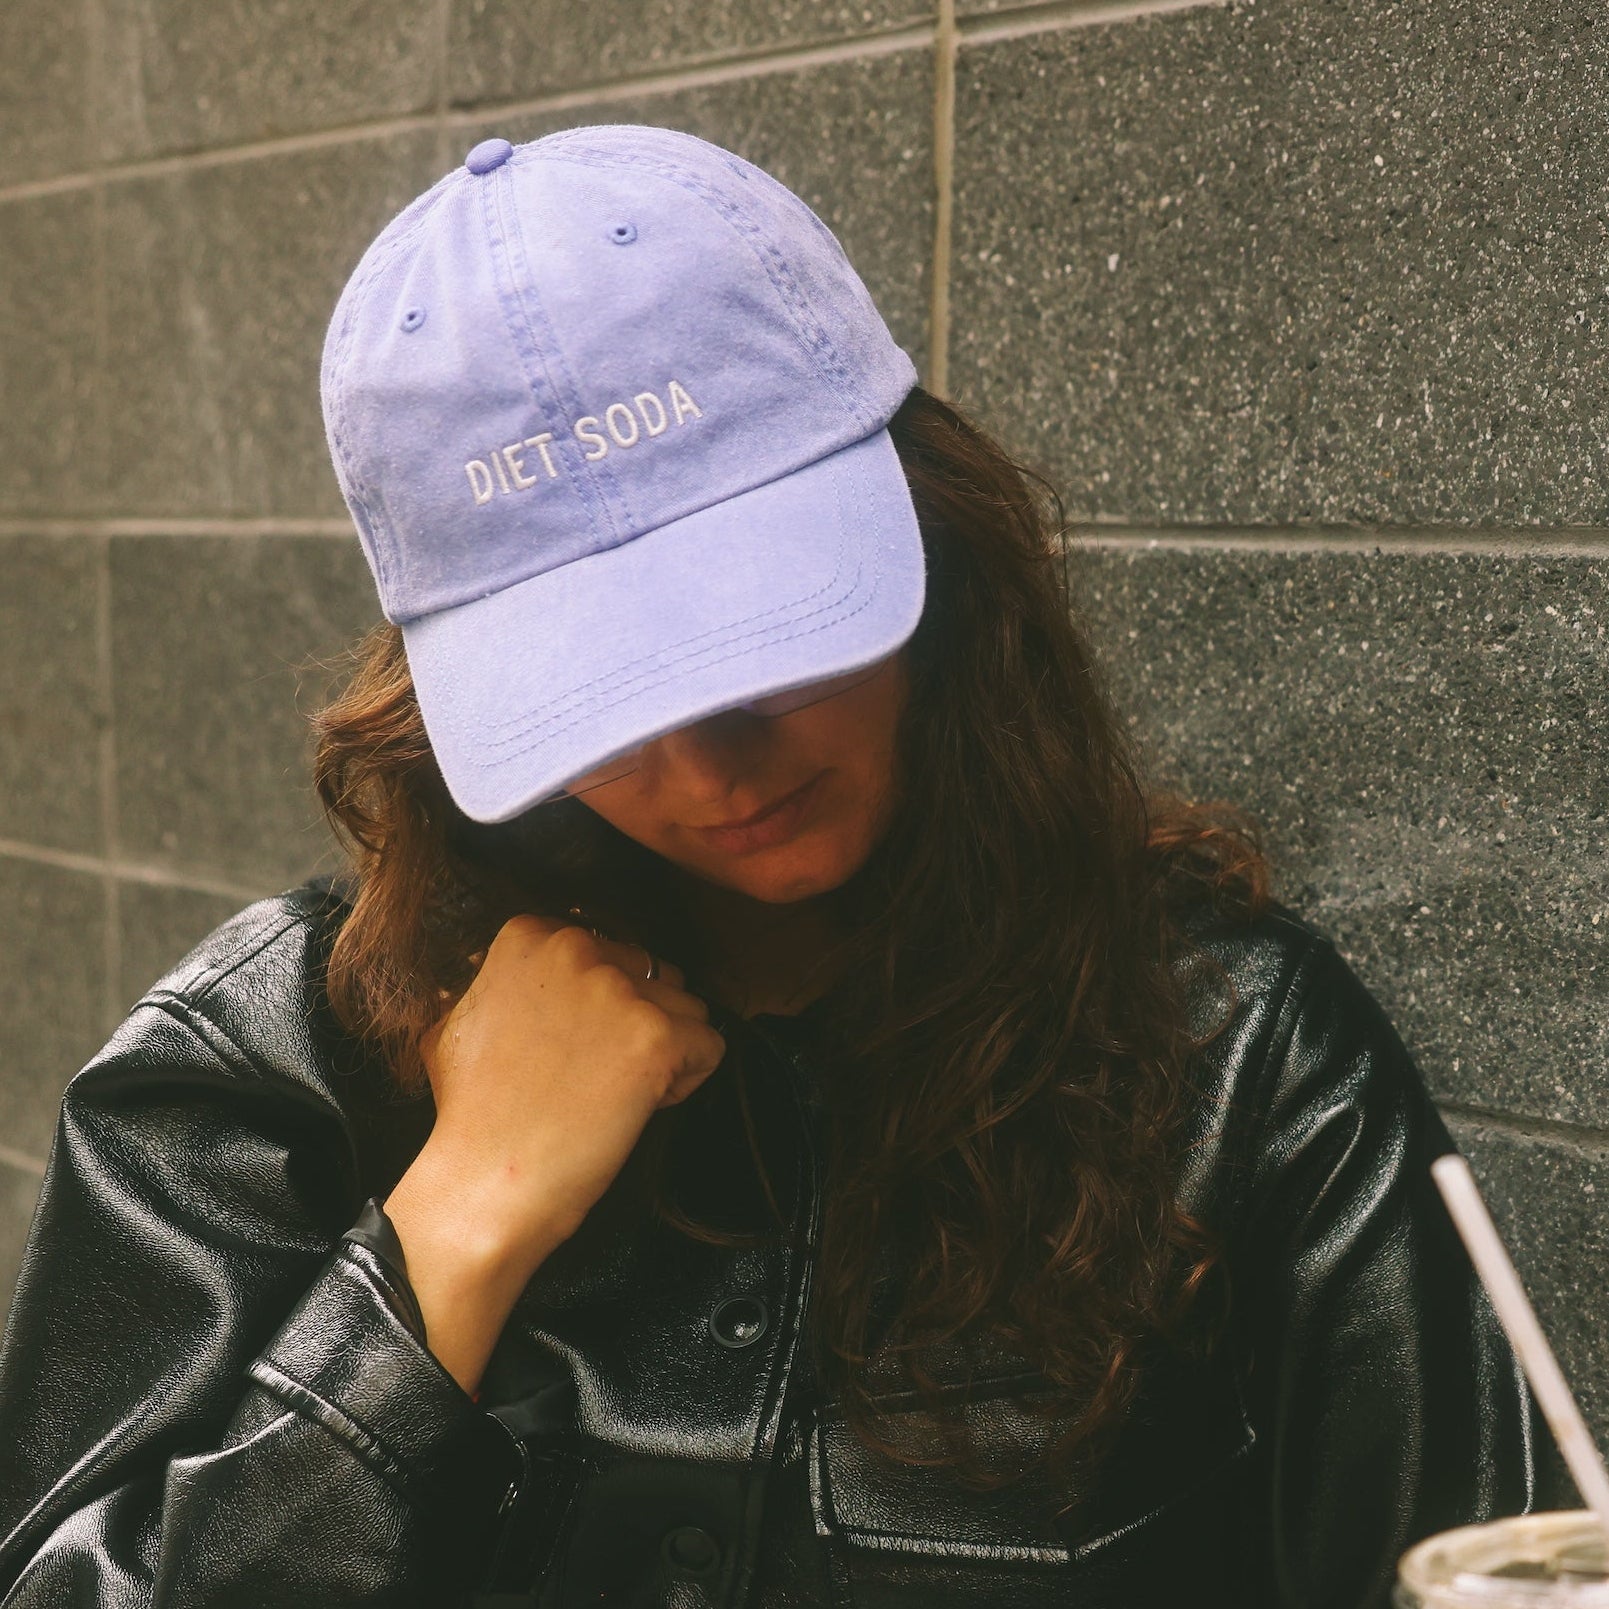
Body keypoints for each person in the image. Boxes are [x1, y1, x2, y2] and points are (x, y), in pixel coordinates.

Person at [0, 124, 1534, 1609]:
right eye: (603, 700)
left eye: (766, 645)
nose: (709, 772)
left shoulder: (1235, 1063)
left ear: (938, 557)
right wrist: (451, 1229)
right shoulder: (272, 1063)